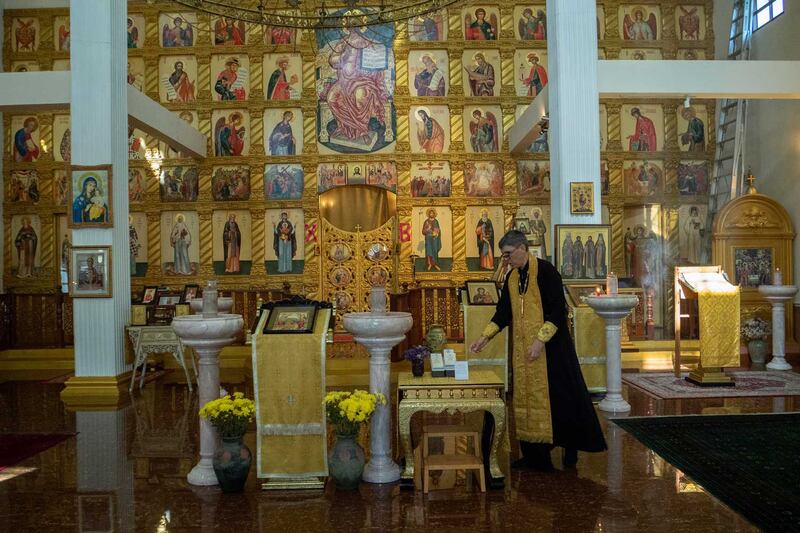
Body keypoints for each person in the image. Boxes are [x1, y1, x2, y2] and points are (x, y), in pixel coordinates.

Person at [470, 230, 606, 470]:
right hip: (525, 353)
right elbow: (504, 312)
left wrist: (540, 341)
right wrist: (485, 337)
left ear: (523, 247)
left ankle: (569, 449)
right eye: (504, 255)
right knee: (527, 400)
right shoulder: (513, 277)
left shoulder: (546, 271)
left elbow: (557, 310)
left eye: (508, 254)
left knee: (561, 399)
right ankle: (535, 455)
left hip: (552, 349)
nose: (506, 260)